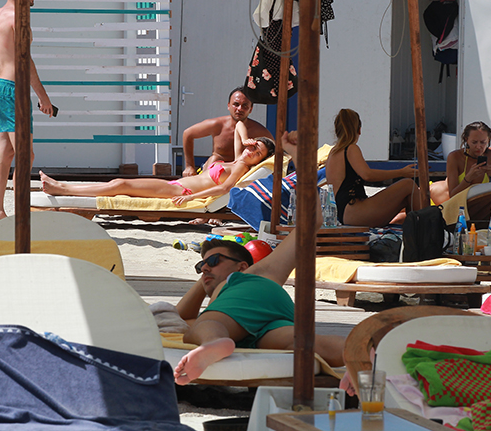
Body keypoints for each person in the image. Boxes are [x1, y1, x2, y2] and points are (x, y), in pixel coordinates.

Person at [173, 130, 345, 385]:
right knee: (308, 343)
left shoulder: (250, 276)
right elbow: (312, 222)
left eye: (214, 261)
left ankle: (213, 343)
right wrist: (297, 154)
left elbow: (179, 316)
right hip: (275, 319)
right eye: (201, 265)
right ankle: (361, 353)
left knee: (201, 327)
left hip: (237, 308)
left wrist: (217, 284)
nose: (206, 269)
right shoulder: (266, 277)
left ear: (242, 266)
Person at [40, 128, 275, 206]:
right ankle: (62, 187)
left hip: (180, 191)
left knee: (120, 184)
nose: (252, 152)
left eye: (258, 154)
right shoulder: (238, 158)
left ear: (258, 161)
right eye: (254, 147)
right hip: (175, 185)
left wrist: (191, 198)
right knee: (118, 184)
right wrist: (248, 141)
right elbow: (239, 125)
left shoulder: (240, 169)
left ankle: (62, 189)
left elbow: (224, 189)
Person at [0, 0, 54, 223]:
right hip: (12, 90)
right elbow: (25, 62)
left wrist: (2, 86)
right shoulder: (19, 19)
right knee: (25, 155)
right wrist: (43, 97)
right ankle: (20, 213)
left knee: (4, 155)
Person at [326, 108, 421, 227]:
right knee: (408, 184)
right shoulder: (350, 148)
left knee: (406, 197)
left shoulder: (333, 153)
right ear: (359, 130)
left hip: (344, 213)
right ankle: (424, 230)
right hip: (355, 211)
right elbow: (367, 175)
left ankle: (417, 229)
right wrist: (401, 172)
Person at [181, 87, 272, 178]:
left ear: (250, 109)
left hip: (240, 174)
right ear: (228, 106)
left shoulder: (260, 131)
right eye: (236, 104)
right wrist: (189, 166)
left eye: (245, 105)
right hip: (214, 172)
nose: (239, 109)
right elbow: (188, 134)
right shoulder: (217, 125)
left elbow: (274, 154)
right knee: (215, 158)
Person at [430, 121, 491, 205]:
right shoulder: (455, 157)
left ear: (488, 140)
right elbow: (453, 195)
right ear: (466, 140)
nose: (478, 146)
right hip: (438, 199)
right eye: (474, 142)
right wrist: (468, 178)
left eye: (483, 142)